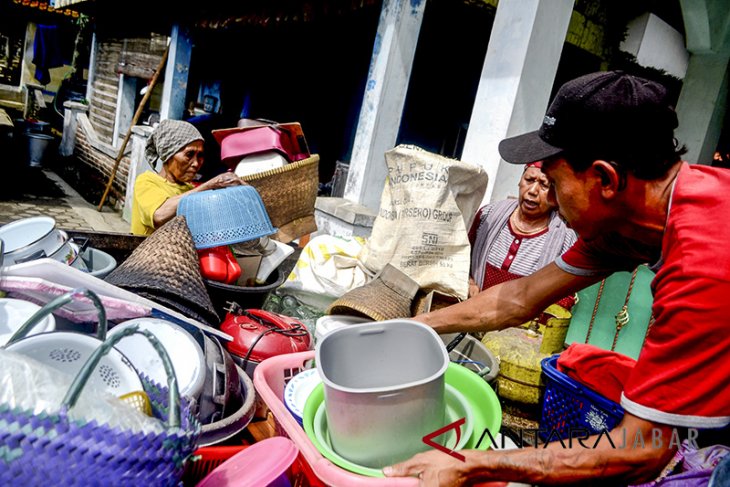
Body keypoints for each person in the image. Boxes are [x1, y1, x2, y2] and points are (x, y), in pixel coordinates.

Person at [384, 71, 730, 485]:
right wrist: (411, 329)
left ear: (605, 179)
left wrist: (473, 462)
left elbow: (643, 448)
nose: (543, 193)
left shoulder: (705, 264)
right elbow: (519, 298)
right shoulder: (627, 226)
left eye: (554, 180)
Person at [468, 161, 576, 301]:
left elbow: (564, 296)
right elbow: (459, 259)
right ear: (520, 181)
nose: (532, 191)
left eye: (544, 185)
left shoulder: (566, 236)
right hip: (471, 309)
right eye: (529, 180)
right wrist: (468, 283)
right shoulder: (488, 215)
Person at [131, 119, 244, 235]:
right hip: (152, 252)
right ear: (168, 155)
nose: (196, 163)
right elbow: (159, 215)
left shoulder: (190, 189)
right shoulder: (146, 181)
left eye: (200, 155)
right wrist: (212, 184)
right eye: (189, 155)